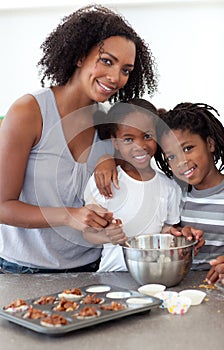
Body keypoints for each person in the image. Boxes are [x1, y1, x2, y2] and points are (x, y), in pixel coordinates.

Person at [0, 4, 158, 273]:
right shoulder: (30, 112)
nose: (115, 77)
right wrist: (68, 216)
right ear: (79, 56)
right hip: (23, 270)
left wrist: (109, 160)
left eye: (126, 70)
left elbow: (138, 186)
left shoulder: (111, 125)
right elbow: (3, 206)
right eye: (107, 61)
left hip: (90, 269)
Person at [83, 99, 183, 271]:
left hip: (156, 276)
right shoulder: (104, 181)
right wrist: (107, 235)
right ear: (115, 142)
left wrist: (172, 235)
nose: (140, 146)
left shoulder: (169, 187)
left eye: (147, 136)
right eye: (128, 139)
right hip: (113, 274)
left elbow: (169, 229)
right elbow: (87, 232)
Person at [155, 102, 224, 283]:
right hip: (185, 289)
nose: (181, 162)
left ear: (210, 144)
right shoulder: (176, 193)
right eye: (171, 156)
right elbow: (171, 231)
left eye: (187, 149)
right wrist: (181, 236)